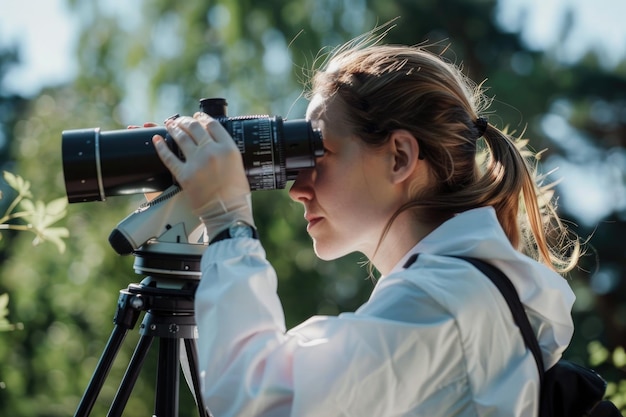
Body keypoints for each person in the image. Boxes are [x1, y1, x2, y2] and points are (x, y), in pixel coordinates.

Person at [152, 32, 580, 417]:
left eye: (317, 153)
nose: (297, 187)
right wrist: (203, 239)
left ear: (399, 157)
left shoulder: (440, 304)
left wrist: (231, 225)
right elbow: (236, 384)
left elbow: (255, 402)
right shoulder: (456, 293)